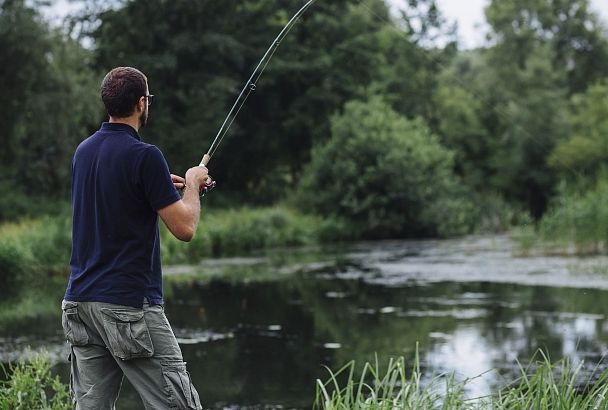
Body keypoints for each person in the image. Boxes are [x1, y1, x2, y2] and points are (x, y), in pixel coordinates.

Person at [61, 66, 206, 409]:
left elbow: (119, 195)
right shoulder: (145, 155)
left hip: (79, 304)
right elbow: (185, 229)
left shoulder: (84, 151)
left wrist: (157, 187)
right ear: (142, 103)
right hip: (127, 306)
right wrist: (193, 182)